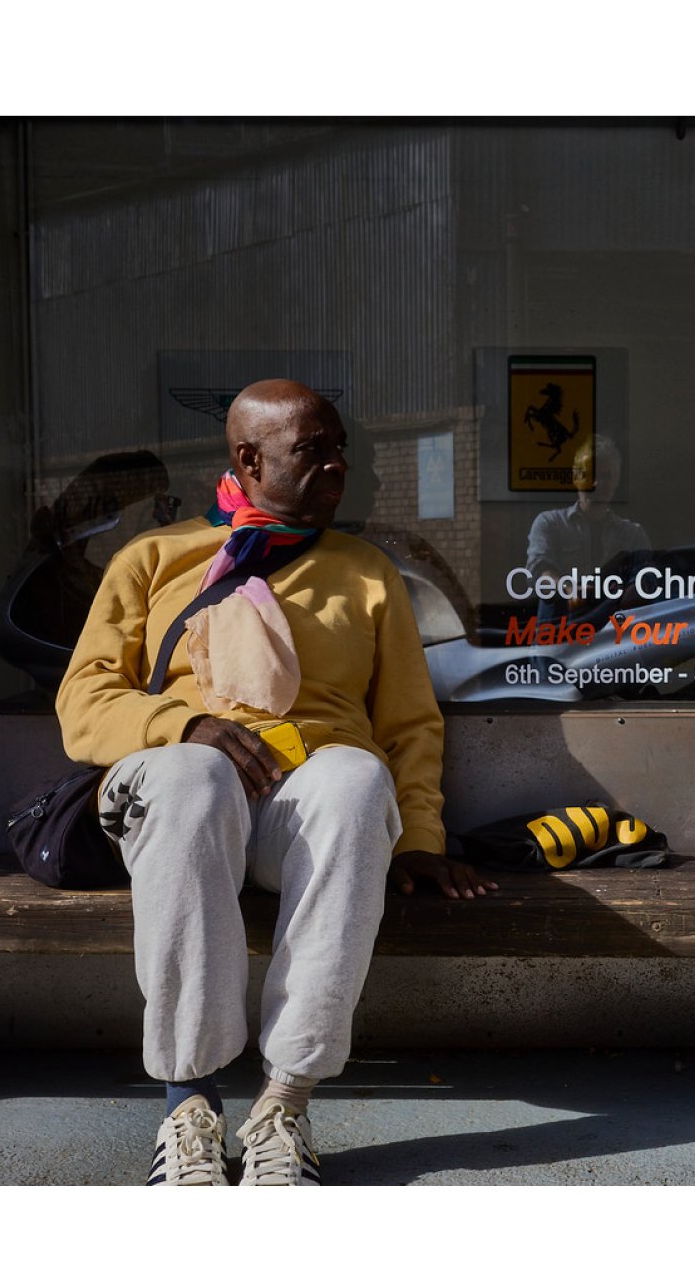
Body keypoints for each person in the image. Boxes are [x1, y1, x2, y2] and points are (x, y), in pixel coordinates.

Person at [56, 380, 497, 1186]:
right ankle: (188, 1107)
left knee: (356, 776)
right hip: (180, 807)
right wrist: (182, 725)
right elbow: (83, 702)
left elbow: (408, 726)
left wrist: (419, 838)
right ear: (249, 459)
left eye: (340, 450)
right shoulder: (153, 559)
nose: (338, 466)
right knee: (195, 776)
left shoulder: (367, 573)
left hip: (302, 813)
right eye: (313, 451)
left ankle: (284, 1105)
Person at [524, 434, 650, 621]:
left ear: (617, 480)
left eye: (607, 476)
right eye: (591, 474)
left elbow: (646, 578)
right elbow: (539, 571)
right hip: (558, 633)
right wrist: (568, 589)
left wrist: (631, 592)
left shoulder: (633, 534)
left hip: (613, 635)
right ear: (575, 476)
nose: (598, 483)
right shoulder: (549, 523)